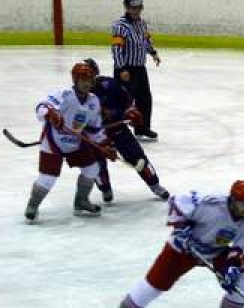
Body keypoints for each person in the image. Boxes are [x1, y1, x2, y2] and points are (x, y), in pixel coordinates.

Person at [104, 180, 244, 308]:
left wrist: (232, 267)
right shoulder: (210, 203)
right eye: (243, 204)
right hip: (182, 249)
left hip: (216, 251)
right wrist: (181, 226)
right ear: (232, 199)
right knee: (152, 286)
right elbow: (177, 201)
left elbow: (242, 247)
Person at [24, 62, 118, 222]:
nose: (88, 83)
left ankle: (81, 201)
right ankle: (32, 205)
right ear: (75, 80)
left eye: (90, 79)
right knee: (48, 178)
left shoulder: (94, 101)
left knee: (92, 169)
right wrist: (51, 114)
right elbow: (41, 107)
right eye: (84, 80)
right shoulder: (64, 94)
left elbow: (95, 129)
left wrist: (105, 145)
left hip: (75, 141)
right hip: (53, 141)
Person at [83, 58, 169, 203]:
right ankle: (105, 189)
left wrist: (131, 111)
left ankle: (155, 185)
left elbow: (127, 101)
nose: (87, 81)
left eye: (90, 76)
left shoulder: (109, 84)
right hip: (94, 134)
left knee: (137, 157)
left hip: (117, 127)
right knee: (96, 164)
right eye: (82, 78)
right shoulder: (75, 96)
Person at [112, 0, 161, 140]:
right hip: (125, 70)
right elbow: (116, 49)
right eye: (133, 8)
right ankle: (115, 130)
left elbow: (146, 40)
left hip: (140, 68)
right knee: (123, 101)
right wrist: (121, 68)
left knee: (144, 99)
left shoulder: (142, 23)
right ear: (126, 7)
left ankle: (142, 129)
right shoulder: (120, 25)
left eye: (138, 8)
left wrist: (153, 53)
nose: (136, 11)